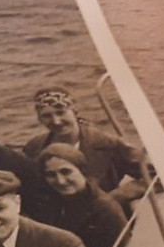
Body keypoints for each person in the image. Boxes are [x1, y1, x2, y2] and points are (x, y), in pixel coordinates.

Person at [21, 87, 150, 211]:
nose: (56, 121)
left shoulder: (108, 144)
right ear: (40, 119)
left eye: (61, 112)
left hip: (105, 216)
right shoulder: (34, 148)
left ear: (74, 111)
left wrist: (115, 197)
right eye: (47, 116)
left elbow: (155, 176)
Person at [36, 143, 130, 247]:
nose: (60, 181)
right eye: (51, 175)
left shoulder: (105, 210)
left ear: (82, 170)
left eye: (66, 172)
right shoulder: (53, 202)